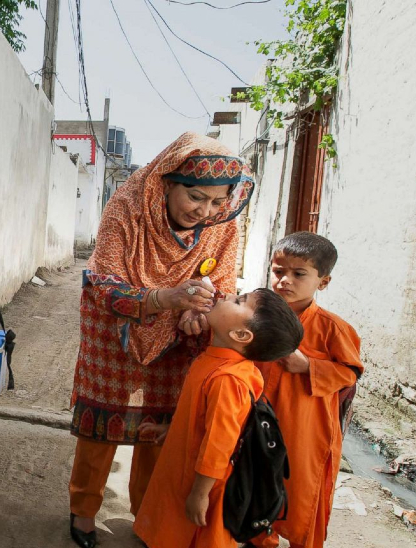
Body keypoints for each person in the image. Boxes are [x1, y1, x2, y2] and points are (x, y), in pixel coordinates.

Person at [68, 132, 255, 548]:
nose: (205, 211)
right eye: (196, 197)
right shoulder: (127, 209)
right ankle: (83, 511)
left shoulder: (222, 225)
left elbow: (222, 282)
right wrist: (166, 298)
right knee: (100, 427)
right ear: (167, 183)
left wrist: (195, 311)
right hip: (114, 333)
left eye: (217, 201)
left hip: (177, 342)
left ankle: (147, 516)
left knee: (160, 431)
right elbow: (104, 285)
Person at [134, 288, 304, 548]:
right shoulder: (217, 361)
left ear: (240, 335)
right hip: (186, 466)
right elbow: (204, 416)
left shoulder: (228, 380)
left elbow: (219, 444)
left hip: (201, 480)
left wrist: (200, 494)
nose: (226, 296)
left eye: (239, 301)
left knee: (191, 534)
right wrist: (173, 428)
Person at [247, 232, 363, 548]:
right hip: (257, 417)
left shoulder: (332, 328)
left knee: (301, 489)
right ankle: (260, 538)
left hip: (304, 428)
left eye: (299, 274)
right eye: (278, 271)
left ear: (323, 282)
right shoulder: (255, 316)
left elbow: (350, 374)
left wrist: (308, 366)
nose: (285, 280)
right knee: (255, 478)